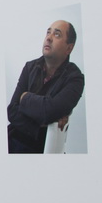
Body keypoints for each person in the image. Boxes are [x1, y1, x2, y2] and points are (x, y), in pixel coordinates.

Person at [7, 20, 85, 153]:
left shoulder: (75, 78)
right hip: (13, 141)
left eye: (57, 34)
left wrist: (25, 97)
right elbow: (12, 111)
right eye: (48, 32)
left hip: (45, 149)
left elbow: (49, 111)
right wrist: (40, 126)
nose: (49, 38)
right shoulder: (29, 67)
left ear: (69, 48)